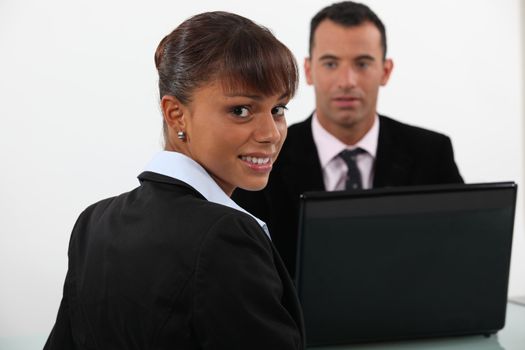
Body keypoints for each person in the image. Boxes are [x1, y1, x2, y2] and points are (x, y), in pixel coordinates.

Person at [44, 11, 305, 349]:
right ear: (176, 113)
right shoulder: (226, 236)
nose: (270, 133)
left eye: (278, 109)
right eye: (241, 110)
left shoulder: (93, 221)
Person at [233, 1, 464, 277]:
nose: (347, 81)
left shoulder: (432, 154)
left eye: (362, 63)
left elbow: (459, 257)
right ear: (308, 70)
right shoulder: (264, 156)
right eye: (330, 63)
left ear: (385, 71)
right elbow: (248, 273)